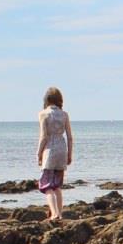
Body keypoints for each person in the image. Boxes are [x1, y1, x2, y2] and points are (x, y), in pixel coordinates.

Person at [37, 86, 73, 221]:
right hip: (62, 149)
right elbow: (69, 137)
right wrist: (70, 154)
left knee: (47, 185)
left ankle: (54, 214)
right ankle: (60, 213)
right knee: (57, 185)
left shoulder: (43, 114)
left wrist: (38, 153)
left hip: (50, 150)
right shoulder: (64, 115)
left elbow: (43, 137)